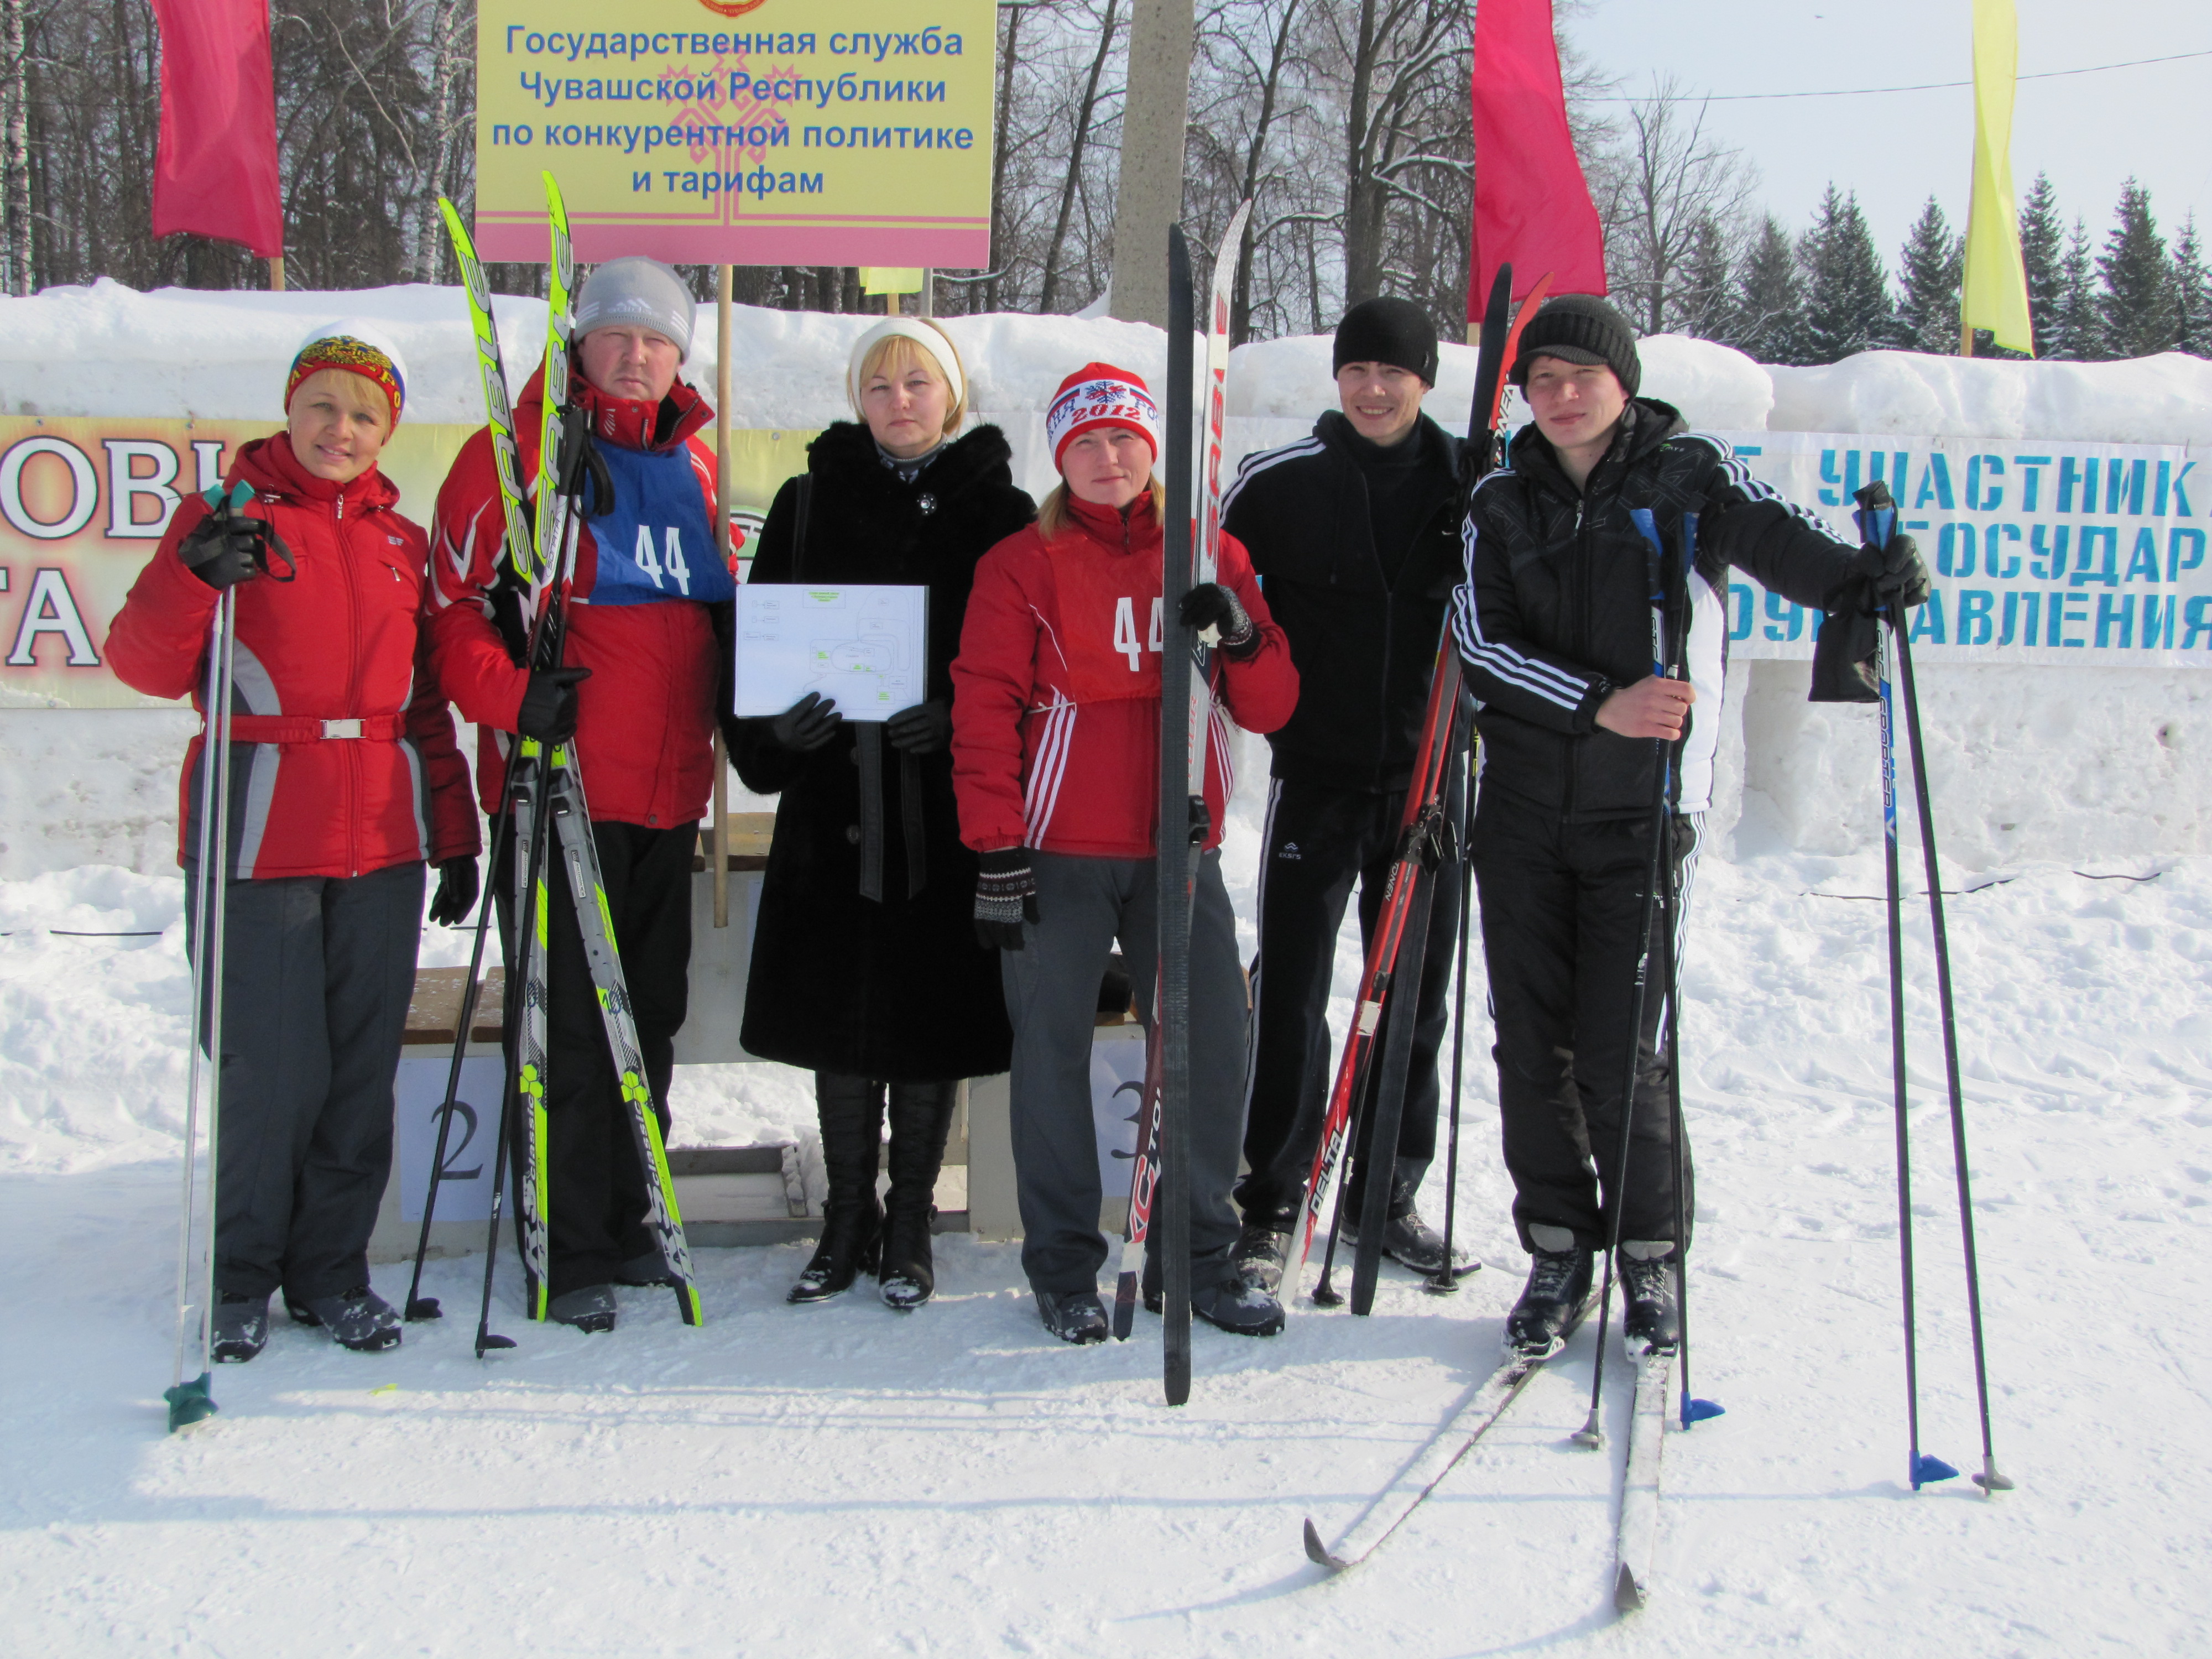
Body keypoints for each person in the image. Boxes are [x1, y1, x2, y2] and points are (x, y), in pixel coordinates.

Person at [1451, 294, 1930, 1359]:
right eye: (1545, 380)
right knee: (1533, 1047)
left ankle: (1652, 1257)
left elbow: (1782, 545)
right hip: (1525, 814)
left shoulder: (1688, 471)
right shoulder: (1497, 498)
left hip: (1644, 811)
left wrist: (1866, 579)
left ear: (1624, 384)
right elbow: (1479, 643)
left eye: (1583, 376)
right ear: (1525, 396)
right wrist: (1595, 703)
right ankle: (1559, 1247)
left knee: (1624, 1055)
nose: (1563, 397)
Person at [107, 328, 481, 1361]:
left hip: (383, 844)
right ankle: (240, 1279)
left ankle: (330, 1273)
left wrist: (454, 836)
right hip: (258, 829)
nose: (341, 430)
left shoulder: (400, 542)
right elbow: (141, 665)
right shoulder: (221, 517)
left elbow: (427, 707)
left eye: (365, 415)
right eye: (323, 406)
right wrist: (192, 577)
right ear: (290, 409)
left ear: (387, 431)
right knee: (271, 1071)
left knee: (361, 1073)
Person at [950, 363, 1301, 1344]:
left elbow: (1271, 704)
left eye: (1125, 440)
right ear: (1062, 458)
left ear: (1154, 450)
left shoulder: (1209, 550)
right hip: (1059, 850)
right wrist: (997, 847)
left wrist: (1240, 633)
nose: (1109, 459)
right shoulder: (1023, 560)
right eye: (1087, 444)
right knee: (1050, 1051)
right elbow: (982, 707)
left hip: (1177, 845)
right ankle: (1064, 1265)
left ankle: (1199, 1256)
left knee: (1209, 1043)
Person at [428, 258, 732, 1334]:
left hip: (665, 797)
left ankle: (626, 1214)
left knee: (645, 1014)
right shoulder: (517, 460)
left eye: (658, 341)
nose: (639, 355)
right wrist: (517, 695)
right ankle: (564, 1239)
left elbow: (706, 617)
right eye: (619, 337)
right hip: (559, 788)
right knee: (564, 1025)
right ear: (580, 346)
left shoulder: (694, 469)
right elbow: (453, 617)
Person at [732, 318, 1034, 1311]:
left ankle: (911, 1226)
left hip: (946, 808)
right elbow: (760, 640)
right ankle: (846, 1218)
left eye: (919, 382)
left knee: (931, 1014)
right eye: (880, 385)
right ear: (858, 398)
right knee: (841, 1015)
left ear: (953, 395)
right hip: (833, 803)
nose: (899, 400)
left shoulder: (1002, 512)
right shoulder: (809, 500)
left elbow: (1035, 663)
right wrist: (782, 727)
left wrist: (962, 720)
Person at [1222, 296, 1475, 1296]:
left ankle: (1386, 1193)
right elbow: (1217, 588)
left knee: (1413, 998)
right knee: (1289, 990)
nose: (1374, 388)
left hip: (1430, 783)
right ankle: (1273, 1199)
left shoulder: (1477, 484)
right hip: (1318, 779)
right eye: (1358, 370)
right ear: (1338, 379)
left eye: (1395, 372)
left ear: (1425, 381)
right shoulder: (1282, 484)